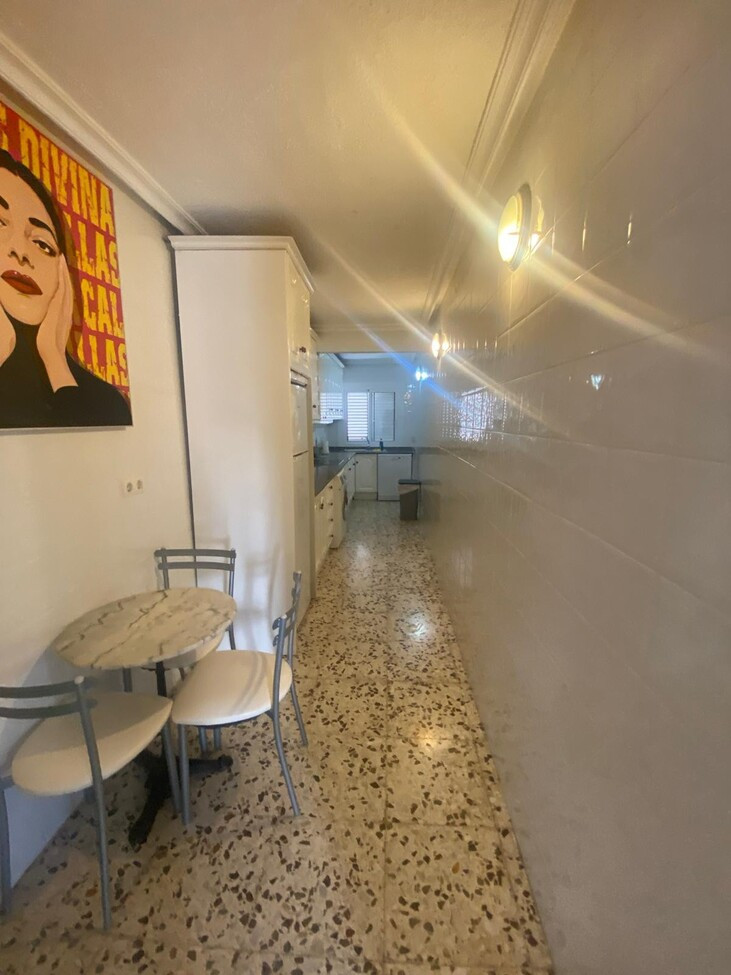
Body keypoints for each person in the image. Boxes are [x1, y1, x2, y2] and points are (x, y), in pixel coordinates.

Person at [0, 149, 132, 428]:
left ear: (61, 273)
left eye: (42, 244)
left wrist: (54, 357)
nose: (20, 252)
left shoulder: (107, 403)